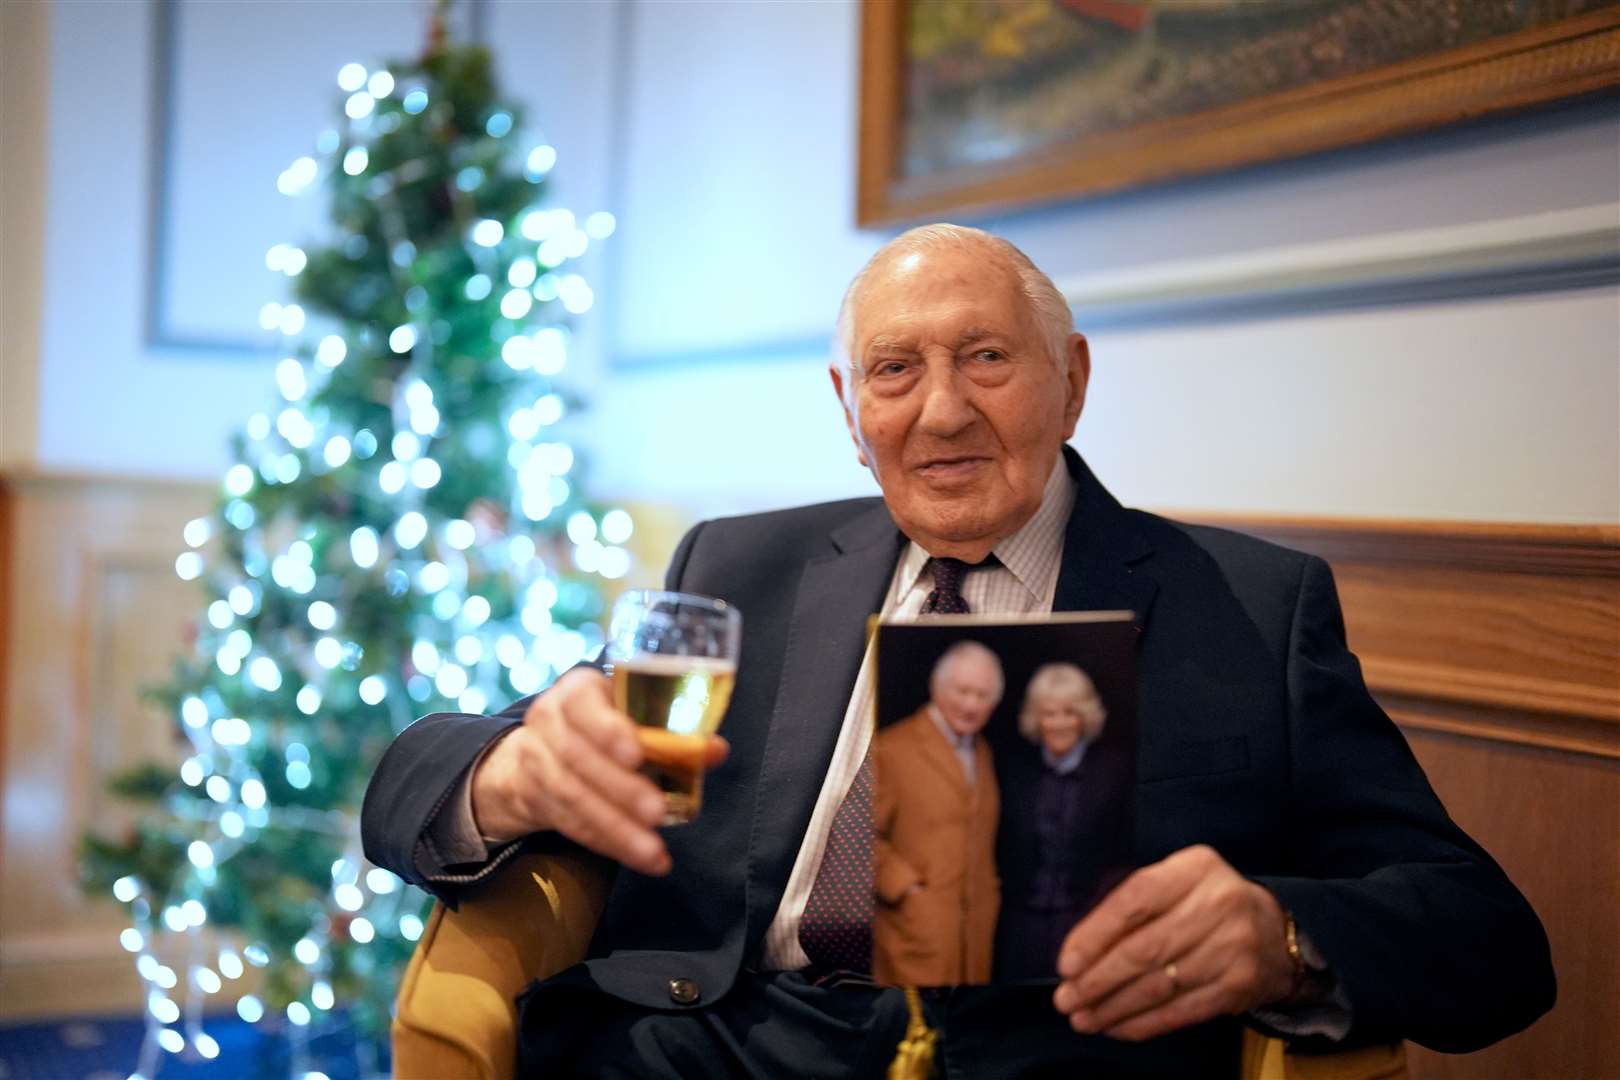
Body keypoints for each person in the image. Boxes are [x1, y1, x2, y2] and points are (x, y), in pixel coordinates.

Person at [362, 224, 1554, 1076]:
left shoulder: (1250, 605)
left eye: (986, 357)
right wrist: (505, 774)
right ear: (849, 407)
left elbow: (1489, 941)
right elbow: (421, 781)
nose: (939, 411)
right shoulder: (739, 568)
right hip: (707, 1044)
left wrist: (1282, 938)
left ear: (1070, 381)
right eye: (895, 370)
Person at [872, 641, 1004, 987]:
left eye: (984, 695)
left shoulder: (983, 750)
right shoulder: (893, 747)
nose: (972, 705)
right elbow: (857, 835)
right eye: (963, 691)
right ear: (937, 687)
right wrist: (906, 888)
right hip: (912, 930)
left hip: (974, 932)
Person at [994, 663, 1131, 983]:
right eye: (1048, 713)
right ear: (1035, 719)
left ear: (1084, 716)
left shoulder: (1115, 771)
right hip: (1020, 924)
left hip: (1085, 919)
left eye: (1069, 712)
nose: (1058, 724)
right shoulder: (1013, 771)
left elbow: (1122, 849)